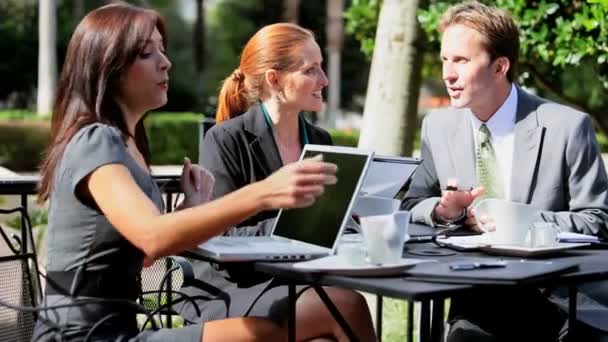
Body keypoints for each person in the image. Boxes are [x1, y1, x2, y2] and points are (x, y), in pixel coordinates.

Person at [32, 3, 339, 341]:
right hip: (82, 337)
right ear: (110, 66)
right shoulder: (96, 139)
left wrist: (190, 209)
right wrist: (264, 191)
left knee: (315, 324)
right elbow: (151, 235)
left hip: (116, 329)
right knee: (289, 324)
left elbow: (145, 254)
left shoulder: (127, 144)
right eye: (147, 53)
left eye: (162, 50)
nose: (166, 62)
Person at [401, 1, 608, 341]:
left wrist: (519, 221)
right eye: (445, 59)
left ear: (500, 67)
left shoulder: (567, 127)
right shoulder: (437, 127)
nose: (447, 74)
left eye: (461, 61)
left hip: (561, 297)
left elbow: (598, 220)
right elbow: (413, 203)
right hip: (478, 296)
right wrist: (443, 210)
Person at [178, 22, 377, 342]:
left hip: (303, 282)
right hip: (235, 289)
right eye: (311, 70)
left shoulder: (320, 140)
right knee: (347, 303)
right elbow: (219, 234)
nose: (324, 80)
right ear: (274, 79)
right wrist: (295, 229)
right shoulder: (227, 139)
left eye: (322, 68)